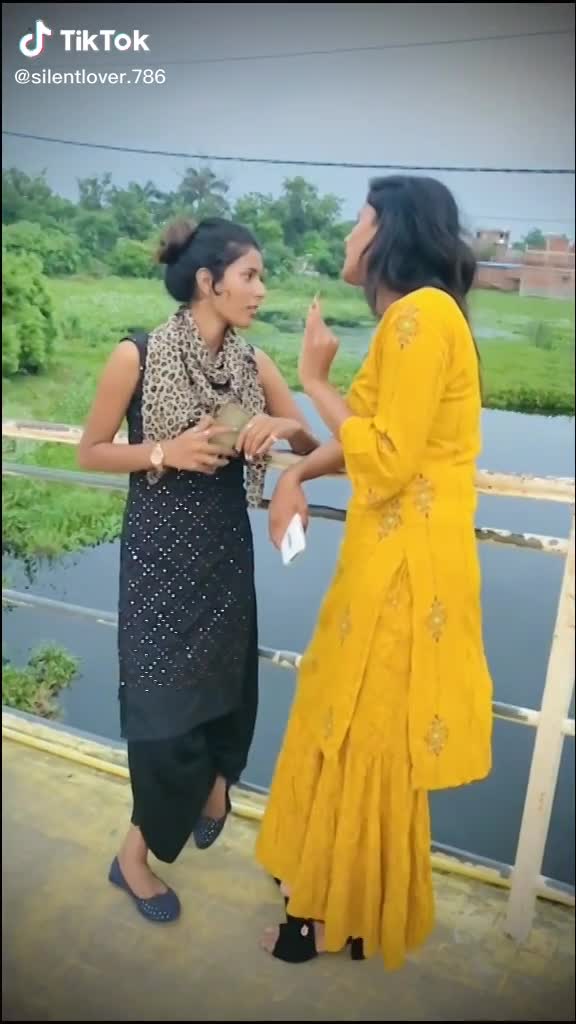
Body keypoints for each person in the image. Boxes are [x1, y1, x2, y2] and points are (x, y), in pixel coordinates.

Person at [255, 175, 494, 969]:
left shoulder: (422, 315)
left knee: (365, 739)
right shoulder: (411, 320)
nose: (347, 238)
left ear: (390, 233)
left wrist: (314, 379)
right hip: (384, 565)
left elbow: (384, 458)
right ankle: (341, 905)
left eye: (358, 223)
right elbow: (367, 431)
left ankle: (331, 917)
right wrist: (298, 474)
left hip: (405, 578)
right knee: (345, 724)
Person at [77, 216, 317, 923]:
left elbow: (309, 439)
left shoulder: (254, 364)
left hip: (223, 556)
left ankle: (216, 786)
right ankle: (133, 858)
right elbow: (91, 450)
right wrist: (165, 452)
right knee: (162, 719)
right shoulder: (137, 355)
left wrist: (283, 432)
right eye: (250, 275)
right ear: (209, 282)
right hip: (157, 562)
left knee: (225, 693)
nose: (261, 290)